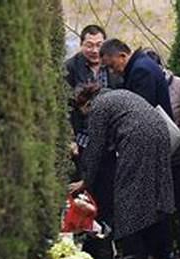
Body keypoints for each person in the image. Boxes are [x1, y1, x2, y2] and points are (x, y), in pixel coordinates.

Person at [69, 84, 175, 259]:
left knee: (128, 191)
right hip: (160, 132)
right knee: (157, 190)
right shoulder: (116, 95)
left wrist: (85, 181)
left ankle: (134, 253)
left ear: (86, 104)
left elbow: (96, 147)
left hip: (136, 138)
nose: (86, 117)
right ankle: (161, 250)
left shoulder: (98, 107)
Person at [145, 50, 180, 259]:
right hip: (156, 158)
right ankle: (165, 246)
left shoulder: (179, 86)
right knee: (161, 205)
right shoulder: (140, 86)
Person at [64, 25, 121, 228]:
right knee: (86, 191)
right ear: (81, 45)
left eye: (99, 45)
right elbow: (65, 106)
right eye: (89, 45)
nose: (95, 50)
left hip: (110, 141)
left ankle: (109, 237)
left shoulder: (113, 65)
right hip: (83, 140)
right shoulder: (70, 68)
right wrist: (69, 138)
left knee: (109, 189)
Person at [99, 39, 172, 119]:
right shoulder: (141, 63)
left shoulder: (140, 71)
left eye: (112, 65)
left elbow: (142, 109)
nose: (111, 71)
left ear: (122, 56)